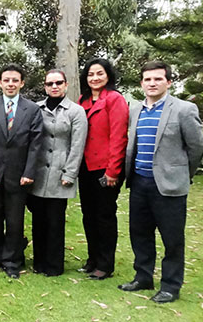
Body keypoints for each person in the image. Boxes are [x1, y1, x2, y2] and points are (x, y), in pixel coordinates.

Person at [118, 61, 203, 303]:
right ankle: (143, 276)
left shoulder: (184, 109)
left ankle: (170, 285)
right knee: (140, 234)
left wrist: (182, 173)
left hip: (169, 185)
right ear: (141, 83)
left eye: (158, 79)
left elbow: (197, 146)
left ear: (168, 82)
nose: (152, 83)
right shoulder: (135, 110)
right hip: (139, 182)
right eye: (147, 79)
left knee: (172, 238)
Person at [0, 63, 43, 279]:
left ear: (21, 83)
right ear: (0, 83)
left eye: (15, 80)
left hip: (19, 175)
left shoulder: (32, 109)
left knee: (15, 221)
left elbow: (35, 144)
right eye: (7, 80)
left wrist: (29, 172)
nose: (11, 84)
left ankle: (12, 261)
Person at [29, 70, 87, 276]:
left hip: (60, 173)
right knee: (38, 220)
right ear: (45, 86)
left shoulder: (76, 111)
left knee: (55, 221)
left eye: (58, 82)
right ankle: (39, 262)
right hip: (38, 174)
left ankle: (54, 265)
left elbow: (77, 145)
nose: (54, 86)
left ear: (66, 84)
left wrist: (70, 174)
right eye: (50, 83)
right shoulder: (37, 109)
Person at [77, 58, 129, 280]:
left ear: (108, 76)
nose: (94, 78)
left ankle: (105, 264)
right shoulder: (83, 100)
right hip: (86, 166)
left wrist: (113, 171)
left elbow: (119, 137)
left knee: (104, 215)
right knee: (88, 214)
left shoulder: (115, 100)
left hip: (106, 168)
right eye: (90, 74)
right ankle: (93, 259)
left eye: (99, 74)